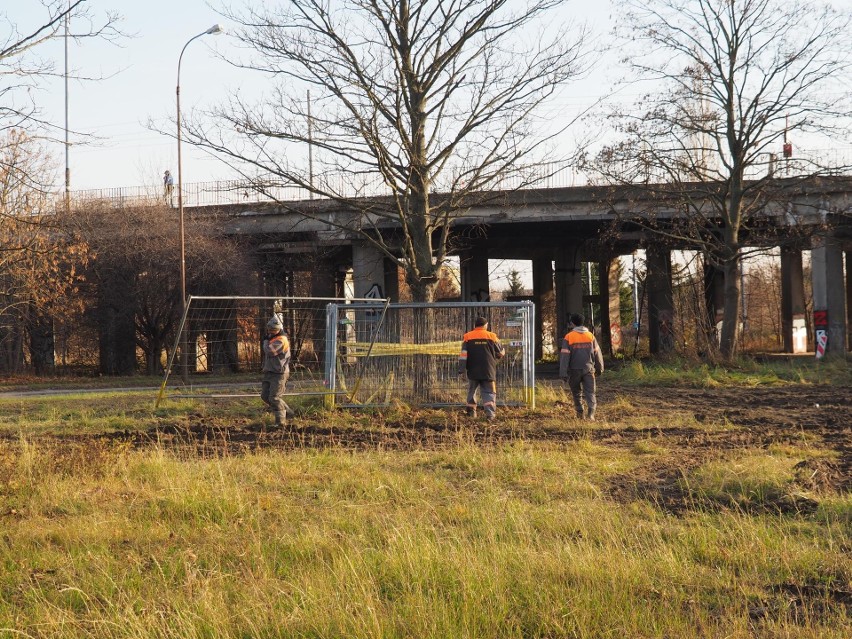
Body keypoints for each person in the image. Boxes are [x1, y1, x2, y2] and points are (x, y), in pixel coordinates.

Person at [458, 316, 505, 421]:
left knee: (471, 391)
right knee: (489, 392)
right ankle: (490, 415)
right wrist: (499, 354)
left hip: (472, 370)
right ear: (485, 325)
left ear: (475, 325)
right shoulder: (492, 336)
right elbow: (500, 353)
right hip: (488, 370)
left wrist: (461, 369)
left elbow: (463, 355)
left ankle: (471, 413)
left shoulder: (467, 337)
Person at [559, 312, 604, 420]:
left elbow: (565, 356)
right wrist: (600, 368)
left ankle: (580, 413)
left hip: (574, 371)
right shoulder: (590, 336)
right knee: (590, 392)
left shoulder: (569, 337)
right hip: (589, 369)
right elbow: (598, 353)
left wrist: (563, 372)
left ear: (573, 323)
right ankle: (591, 414)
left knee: (576, 392)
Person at [261, 314, 293, 427]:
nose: (270, 331)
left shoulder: (281, 340)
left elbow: (270, 351)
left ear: (279, 329)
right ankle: (288, 413)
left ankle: (280, 423)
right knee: (265, 396)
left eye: (273, 329)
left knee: (274, 397)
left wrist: (265, 342)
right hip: (270, 371)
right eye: (269, 329)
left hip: (279, 373)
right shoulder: (272, 338)